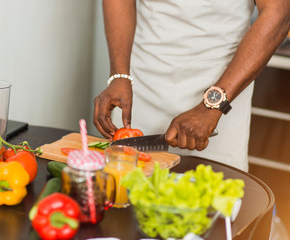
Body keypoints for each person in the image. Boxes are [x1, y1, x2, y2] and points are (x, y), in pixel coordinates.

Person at [93, 0, 290, 171]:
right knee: (121, 202)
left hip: (220, 99)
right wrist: (120, 75)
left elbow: (278, 12)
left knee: (210, 206)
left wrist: (212, 107)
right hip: (139, 91)